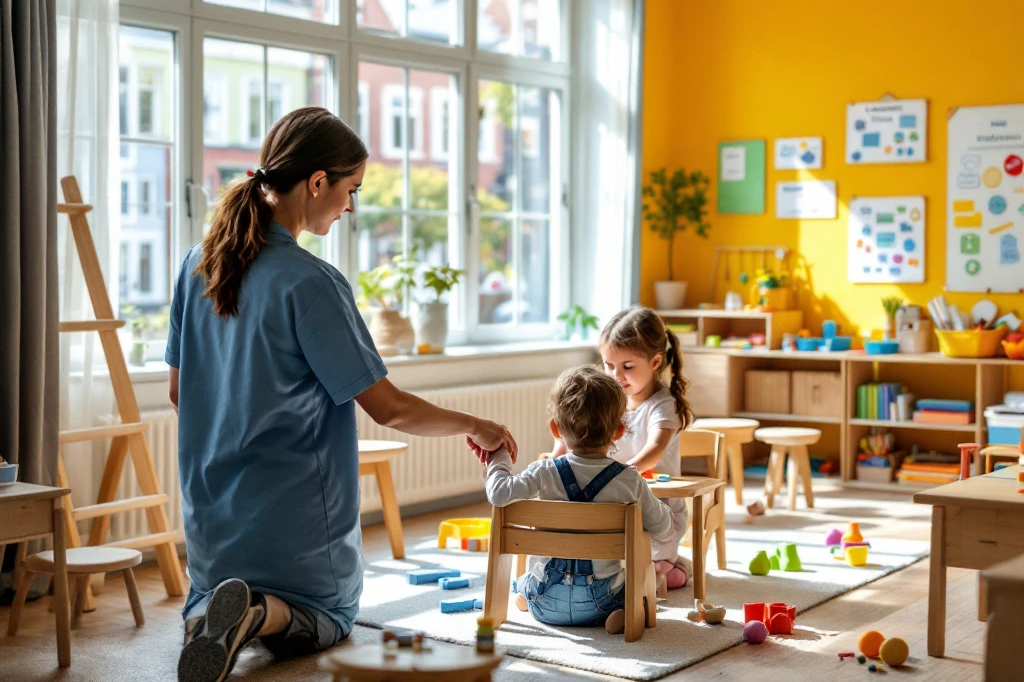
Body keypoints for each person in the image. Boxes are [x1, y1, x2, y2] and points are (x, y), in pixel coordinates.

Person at [166, 107, 518, 682]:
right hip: (298, 529)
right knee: (333, 617)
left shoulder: (193, 266)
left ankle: (213, 610)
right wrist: (475, 424)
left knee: (204, 597)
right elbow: (390, 408)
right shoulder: (312, 282)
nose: (350, 207)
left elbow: (182, 393)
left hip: (212, 527)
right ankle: (256, 613)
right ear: (317, 183)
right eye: (350, 190)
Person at [484, 366, 670, 634]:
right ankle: (621, 613)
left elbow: (499, 493)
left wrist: (498, 459)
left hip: (544, 598)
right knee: (642, 581)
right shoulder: (628, 479)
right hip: (602, 601)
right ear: (618, 431)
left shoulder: (543, 472)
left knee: (523, 580)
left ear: (555, 429)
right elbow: (662, 526)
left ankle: (525, 598)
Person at [544, 306, 695, 589]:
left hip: (656, 508)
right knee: (590, 539)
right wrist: (556, 458)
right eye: (608, 365)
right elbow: (571, 433)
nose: (615, 375)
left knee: (643, 556)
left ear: (655, 362)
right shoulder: (610, 399)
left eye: (627, 367)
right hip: (612, 497)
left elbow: (655, 449)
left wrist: (617, 474)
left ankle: (670, 566)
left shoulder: (663, 405)